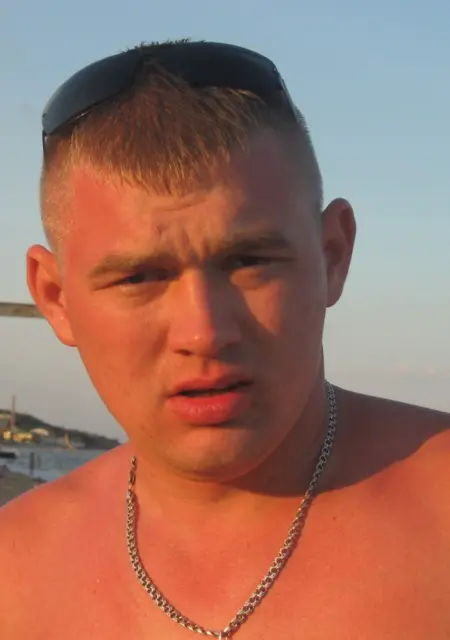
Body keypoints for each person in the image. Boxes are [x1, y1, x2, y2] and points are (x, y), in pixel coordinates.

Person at [0, 40, 449, 640]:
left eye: (249, 261)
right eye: (139, 277)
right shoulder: (15, 575)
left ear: (332, 256)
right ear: (56, 298)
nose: (204, 333)